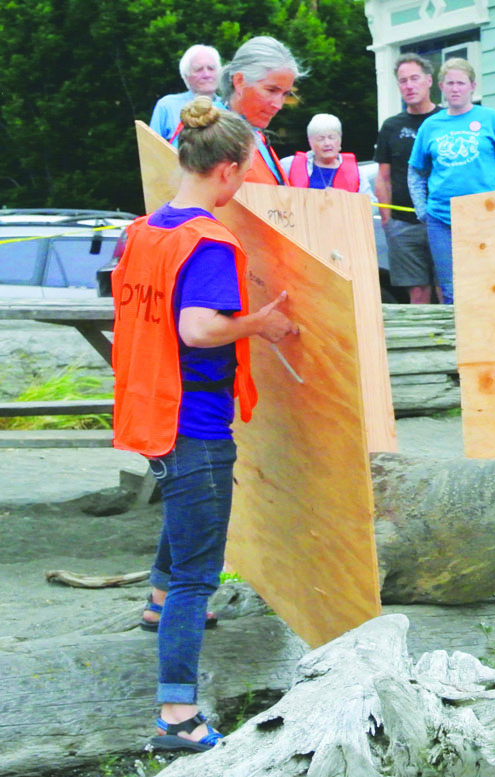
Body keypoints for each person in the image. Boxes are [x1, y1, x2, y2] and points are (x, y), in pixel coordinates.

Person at [111, 96, 299, 751]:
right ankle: (177, 717)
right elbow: (198, 327)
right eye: (246, 170)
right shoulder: (210, 240)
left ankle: (157, 604)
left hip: (152, 411)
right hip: (194, 420)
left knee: (182, 528)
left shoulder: (144, 231)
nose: (245, 182)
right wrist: (262, 322)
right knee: (200, 573)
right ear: (224, 170)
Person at [408, 57, 495, 304]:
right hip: (441, 218)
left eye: (461, 83)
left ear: (472, 86)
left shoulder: (491, 119)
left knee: (490, 280)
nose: (455, 89)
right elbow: (416, 172)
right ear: (441, 86)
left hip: (486, 214)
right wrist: (422, 210)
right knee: (451, 289)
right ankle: (457, 341)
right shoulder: (430, 126)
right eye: (450, 83)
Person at [375, 54, 440, 304]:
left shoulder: (447, 120)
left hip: (442, 221)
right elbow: (383, 177)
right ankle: (424, 342)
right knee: (417, 292)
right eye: (403, 81)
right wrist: (387, 220)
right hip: (404, 224)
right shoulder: (392, 126)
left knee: (446, 289)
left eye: (414, 79)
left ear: (429, 81)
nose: (409, 86)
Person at [217, 36, 306, 185]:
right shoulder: (206, 133)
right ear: (239, 81)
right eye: (271, 90)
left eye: (285, 94)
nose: (278, 105)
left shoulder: (256, 136)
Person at [150, 45, 224, 141]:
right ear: (186, 76)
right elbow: (151, 147)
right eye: (199, 69)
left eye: (211, 68)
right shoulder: (167, 106)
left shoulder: (228, 106)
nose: (206, 75)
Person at [282, 114, 368, 193]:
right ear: (310, 142)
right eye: (320, 139)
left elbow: (370, 205)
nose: (327, 143)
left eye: (332, 137)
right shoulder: (289, 165)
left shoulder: (357, 172)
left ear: (340, 139)